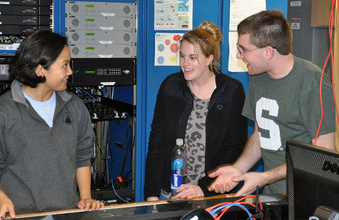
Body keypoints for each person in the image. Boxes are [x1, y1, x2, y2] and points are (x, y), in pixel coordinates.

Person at [208, 10, 336, 196]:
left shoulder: (311, 81)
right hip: (274, 195)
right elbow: (262, 134)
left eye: (243, 49)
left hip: (310, 196)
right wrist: (238, 169)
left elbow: (322, 154)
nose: (238, 55)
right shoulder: (258, 77)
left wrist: (265, 177)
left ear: (268, 51)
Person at [0, 30, 104, 219]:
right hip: (19, 214)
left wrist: (86, 197)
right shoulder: (2, 113)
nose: (70, 72)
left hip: (66, 213)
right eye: (64, 65)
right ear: (40, 70)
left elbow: (82, 156)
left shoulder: (75, 107)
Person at [144, 21, 248, 201]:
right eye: (182, 56)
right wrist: (151, 194)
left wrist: (203, 188)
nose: (185, 63)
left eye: (193, 57)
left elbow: (235, 147)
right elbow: (157, 142)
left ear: (209, 58)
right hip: (174, 192)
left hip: (213, 192)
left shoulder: (232, 90)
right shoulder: (171, 86)